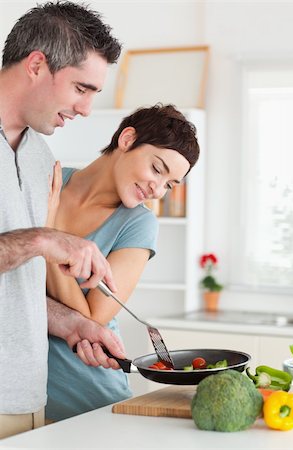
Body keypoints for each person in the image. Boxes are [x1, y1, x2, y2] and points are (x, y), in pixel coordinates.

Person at [0, 1, 124, 439]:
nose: (87, 109)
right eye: (81, 88)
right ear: (36, 65)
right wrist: (42, 240)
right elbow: (29, 246)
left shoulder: (39, 157)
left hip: (27, 399)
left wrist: (73, 324)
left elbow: (14, 287)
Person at [45, 103, 200, 421]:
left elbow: (91, 319)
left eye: (170, 184)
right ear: (128, 139)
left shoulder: (138, 224)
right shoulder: (49, 182)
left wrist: (47, 235)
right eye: (157, 169)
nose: (158, 190)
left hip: (89, 401)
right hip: (20, 394)